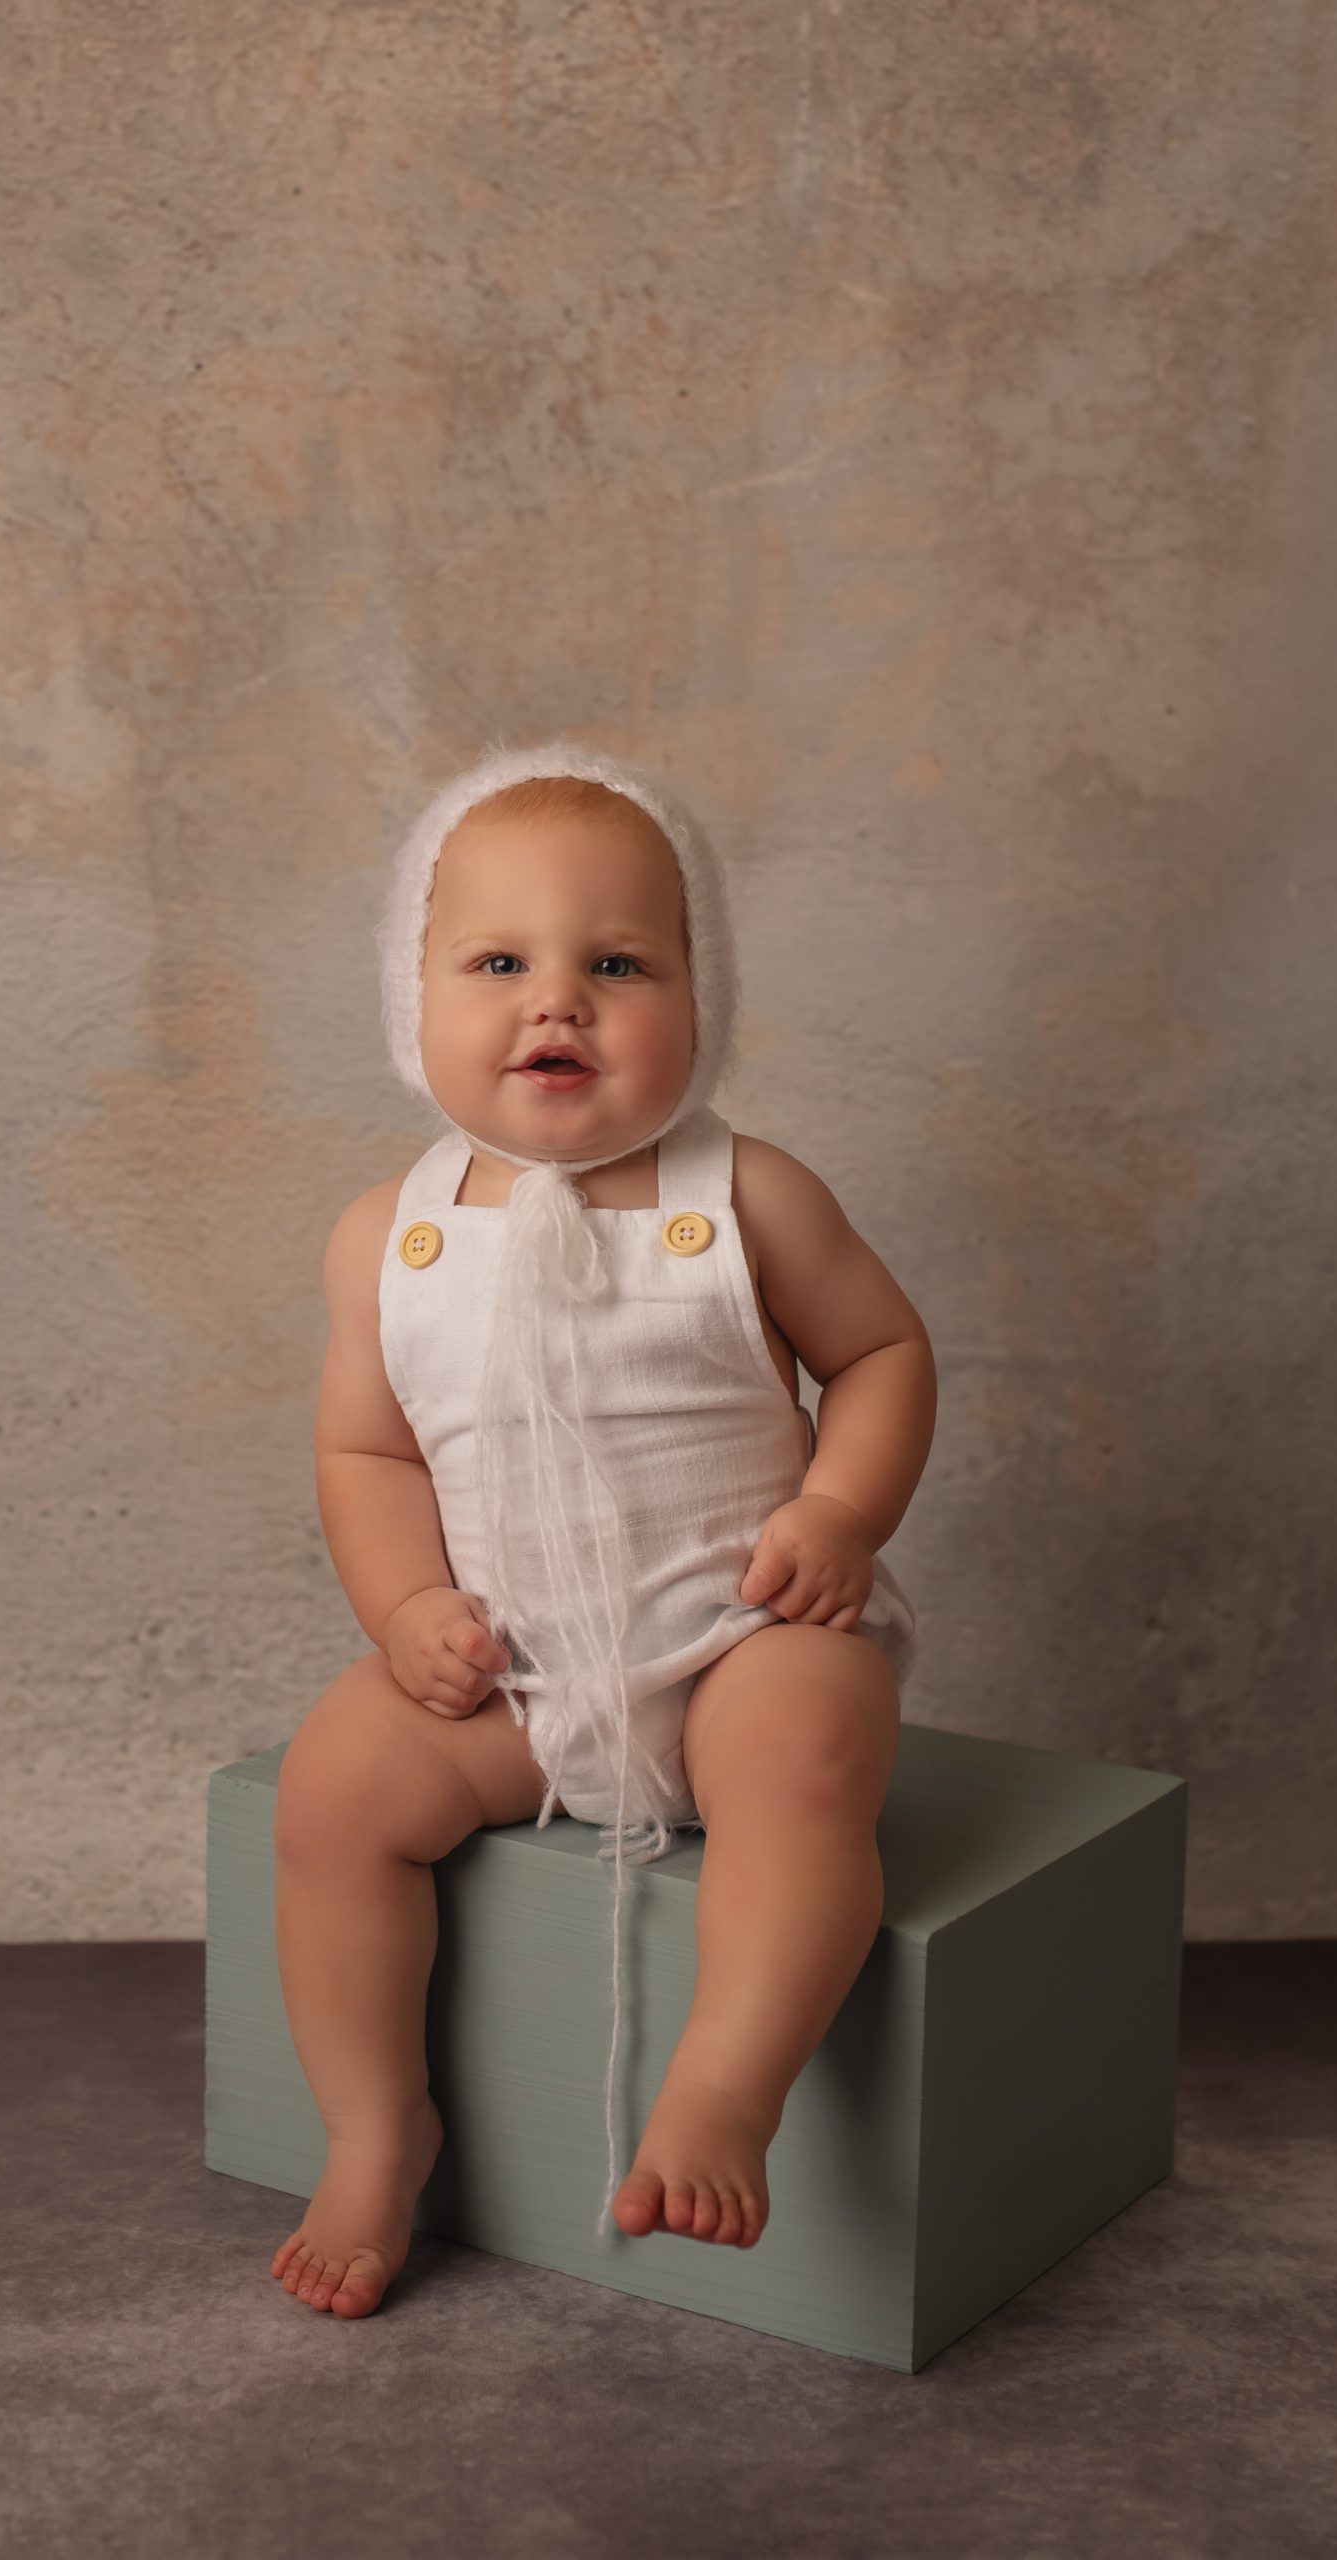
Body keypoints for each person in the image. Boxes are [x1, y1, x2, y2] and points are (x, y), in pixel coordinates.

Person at [270, 740, 936, 2318]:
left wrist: (838, 1511)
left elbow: (882, 1357)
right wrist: (403, 1607)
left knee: (803, 1753)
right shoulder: (391, 1234)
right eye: (496, 961)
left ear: (698, 1001)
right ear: (410, 1001)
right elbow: (364, 1448)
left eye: (616, 962)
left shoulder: (744, 1194)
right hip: (516, 1671)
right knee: (331, 1797)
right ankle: (378, 2126)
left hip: (736, 1634)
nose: (554, 1000)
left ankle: (724, 2083)